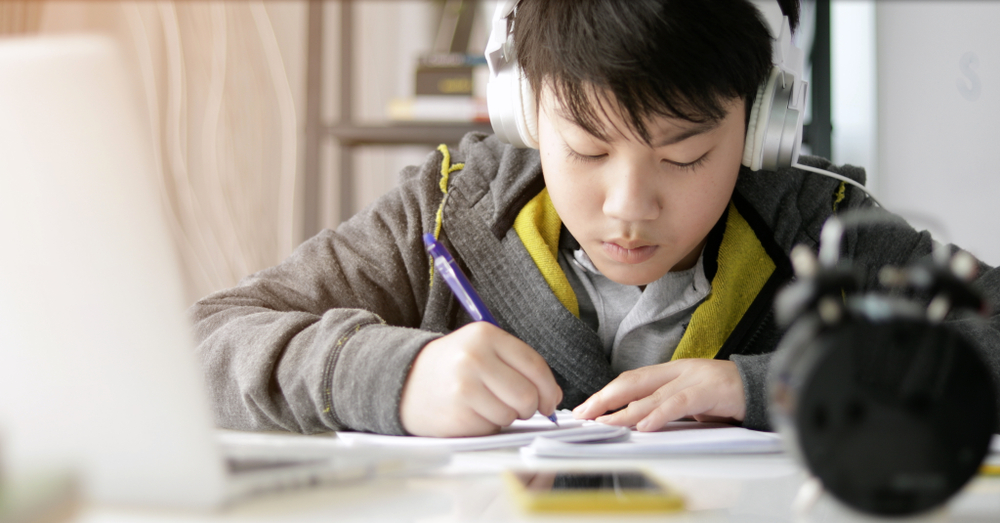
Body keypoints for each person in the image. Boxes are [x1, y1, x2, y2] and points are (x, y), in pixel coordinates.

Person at [190, 0, 1000, 437]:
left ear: (761, 128)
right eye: (583, 147)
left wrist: (763, 385)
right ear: (522, 110)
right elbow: (199, 343)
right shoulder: (445, 213)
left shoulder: (815, 225)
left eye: (684, 158)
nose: (627, 208)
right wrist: (394, 378)